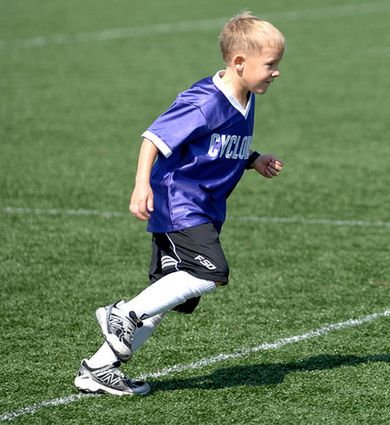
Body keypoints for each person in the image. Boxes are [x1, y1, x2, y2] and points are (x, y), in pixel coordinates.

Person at [74, 11, 286, 396]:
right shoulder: (205, 101)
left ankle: (99, 368)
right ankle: (122, 313)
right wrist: (142, 186)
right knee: (210, 272)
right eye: (270, 64)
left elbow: (216, 146)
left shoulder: (245, 96)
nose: (276, 72)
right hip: (179, 203)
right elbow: (153, 138)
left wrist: (253, 159)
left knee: (169, 296)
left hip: (203, 208)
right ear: (239, 63)